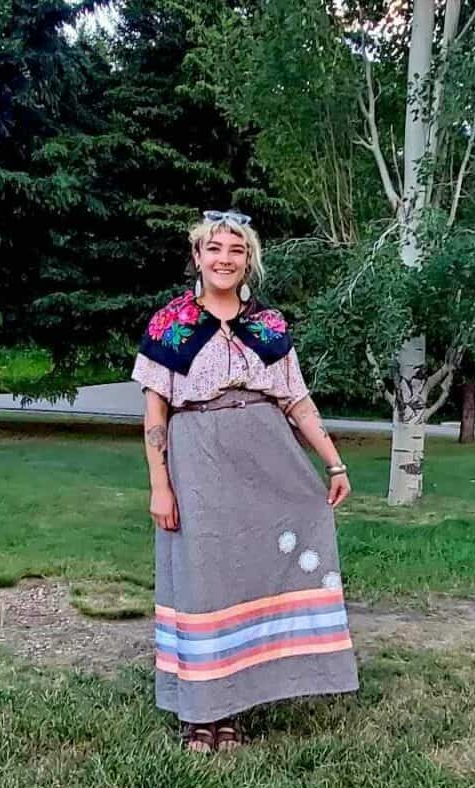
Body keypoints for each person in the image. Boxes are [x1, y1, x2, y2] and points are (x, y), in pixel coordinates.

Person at [130, 209, 360, 753]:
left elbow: (297, 401)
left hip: (266, 456)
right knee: (204, 577)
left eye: (235, 250)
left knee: (249, 576)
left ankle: (232, 708)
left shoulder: (269, 325)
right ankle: (199, 714)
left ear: (247, 259)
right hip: (198, 457)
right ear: (197, 256)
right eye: (214, 249)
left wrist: (334, 462)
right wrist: (160, 485)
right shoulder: (170, 325)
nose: (224, 259)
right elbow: (154, 414)